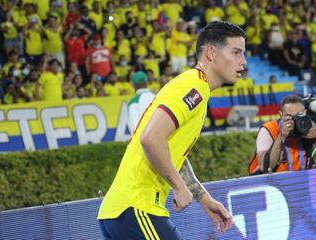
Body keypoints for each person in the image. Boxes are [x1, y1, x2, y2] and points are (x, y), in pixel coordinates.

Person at [98, 21, 247, 239]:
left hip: (124, 213)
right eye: (236, 52)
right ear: (211, 53)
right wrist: (178, 186)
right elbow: (151, 139)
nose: (243, 62)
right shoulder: (193, 86)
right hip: (137, 208)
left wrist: (204, 199)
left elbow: (169, 151)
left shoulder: (196, 88)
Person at [249, 95, 316, 175]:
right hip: (275, 185)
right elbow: (265, 167)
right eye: (289, 116)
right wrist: (281, 137)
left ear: (305, 113)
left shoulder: (306, 125)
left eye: (299, 116)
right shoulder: (269, 129)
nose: (295, 121)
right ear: (281, 114)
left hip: (302, 182)